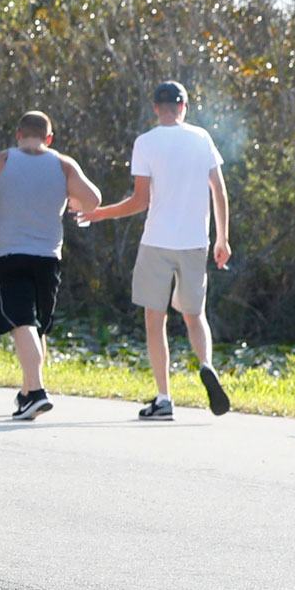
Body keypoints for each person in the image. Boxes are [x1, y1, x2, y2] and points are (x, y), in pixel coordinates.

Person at [77, 81, 231, 419]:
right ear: (184, 106)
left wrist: (99, 214)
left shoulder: (145, 143)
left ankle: (164, 398)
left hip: (157, 241)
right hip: (195, 242)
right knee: (194, 315)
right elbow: (219, 191)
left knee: (154, 319)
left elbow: (139, 201)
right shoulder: (202, 138)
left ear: (155, 108)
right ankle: (205, 364)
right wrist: (223, 239)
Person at [0, 110, 103, 419]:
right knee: (37, 326)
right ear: (50, 138)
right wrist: (77, 202)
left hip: (9, 256)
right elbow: (94, 199)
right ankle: (29, 392)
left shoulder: (0, 162)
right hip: (48, 258)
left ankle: (38, 392)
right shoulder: (63, 164)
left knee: (22, 323)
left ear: (18, 134)